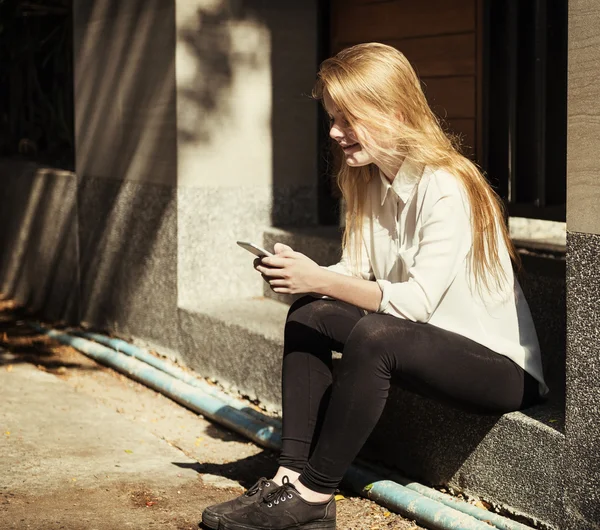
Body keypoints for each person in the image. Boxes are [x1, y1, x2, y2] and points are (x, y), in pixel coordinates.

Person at [201, 42, 548, 530]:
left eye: (348, 118)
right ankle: (289, 477)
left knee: (376, 334)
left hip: (498, 367)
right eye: (332, 117)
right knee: (310, 312)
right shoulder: (369, 182)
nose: (334, 132)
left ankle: (317, 493)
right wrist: (306, 272)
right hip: (424, 344)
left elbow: (415, 305)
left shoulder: (447, 184)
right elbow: (356, 269)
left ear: (396, 113)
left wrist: (321, 278)